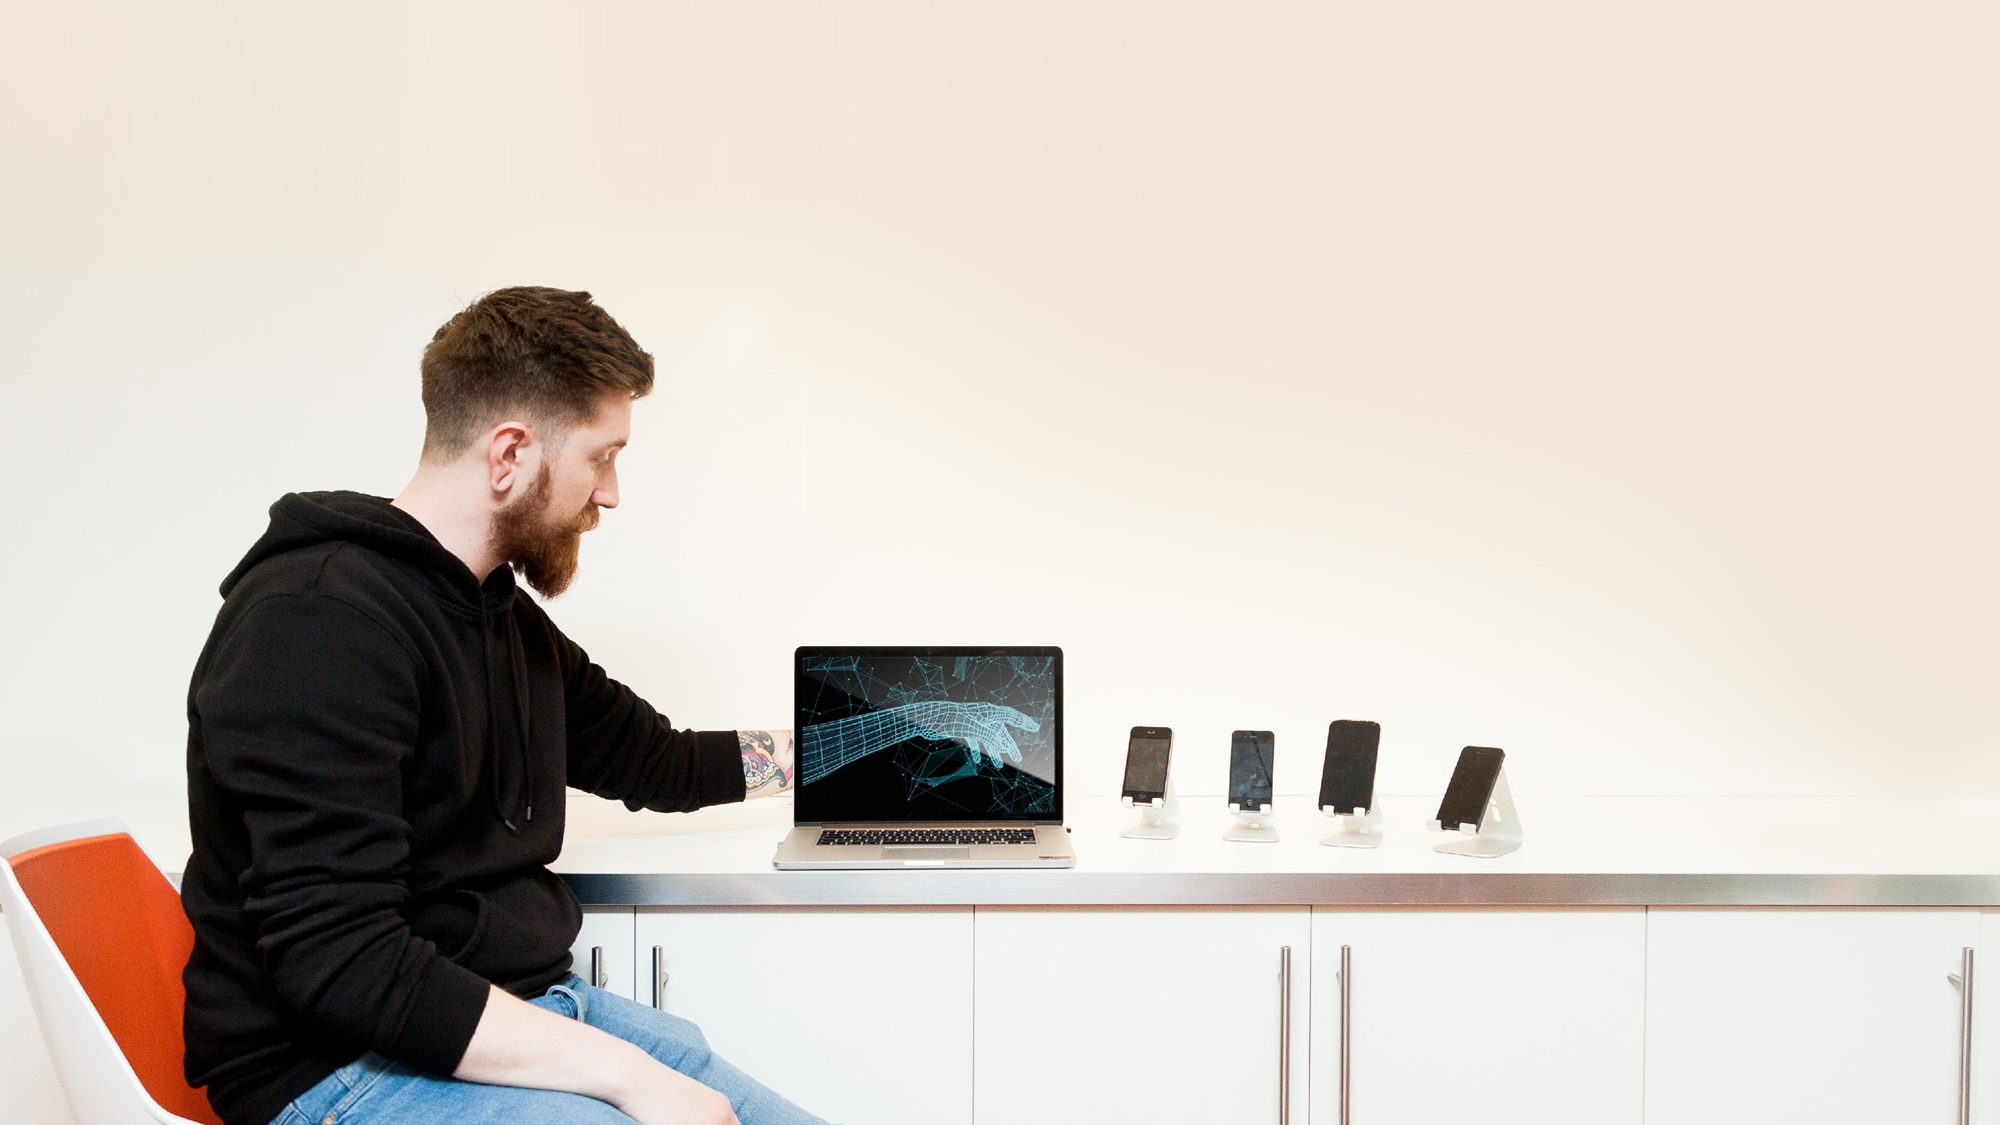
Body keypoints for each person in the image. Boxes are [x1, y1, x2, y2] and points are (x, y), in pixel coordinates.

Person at [180, 287, 828, 1125]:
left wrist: (855, 747)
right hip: (336, 1069)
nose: (612, 492)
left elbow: (658, 759)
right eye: (602, 456)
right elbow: (341, 959)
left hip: (512, 1014)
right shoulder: (316, 620)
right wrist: (626, 1074)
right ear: (509, 453)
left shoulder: (496, 614)